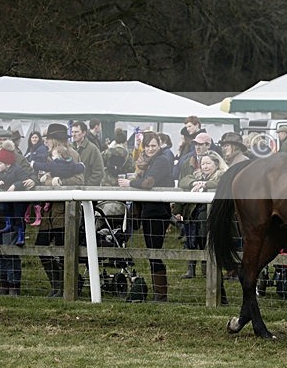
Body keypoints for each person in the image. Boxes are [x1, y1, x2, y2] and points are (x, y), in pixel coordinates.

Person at [118, 131, 174, 302]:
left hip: (157, 212)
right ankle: (158, 292)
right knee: (152, 252)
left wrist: (130, 183)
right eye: (148, 146)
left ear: (159, 145)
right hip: (148, 212)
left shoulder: (161, 161)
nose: (150, 149)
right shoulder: (149, 161)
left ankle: (161, 294)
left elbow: (148, 183)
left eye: (153, 146)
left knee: (154, 252)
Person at [35, 123, 84, 297]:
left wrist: (58, 182)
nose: (45, 141)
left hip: (65, 211)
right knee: (41, 247)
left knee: (64, 249)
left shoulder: (72, 155)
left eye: (48, 138)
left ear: (54, 139)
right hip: (48, 212)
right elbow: (41, 178)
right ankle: (57, 284)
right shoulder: (46, 156)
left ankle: (69, 284)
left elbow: (79, 180)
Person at [174, 151, 227, 280]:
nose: (205, 166)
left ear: (216, 164)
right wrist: (194, 183)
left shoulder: (222, 175)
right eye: (203, 164)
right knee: (191, 240)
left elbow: (220, 184)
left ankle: (206, 268)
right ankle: (191, 269)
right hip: (194, 213)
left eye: (208, 163)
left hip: (210, 214)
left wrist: (204, 184)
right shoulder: (197, 175)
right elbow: (183, 181)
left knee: (206, 240)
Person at [0, 147, 37, 294]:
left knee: (10, 251)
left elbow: (30, 176)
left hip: (11, 214)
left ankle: (13, 285)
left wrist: (30, 181)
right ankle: (3, 283)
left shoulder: (18, 160)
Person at [71, 121, 105, 186]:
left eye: (76, 132)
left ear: (84, 133)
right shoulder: (70, 149)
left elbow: (99, 171)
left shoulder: (92, 149)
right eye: (72, 132)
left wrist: (87, 185)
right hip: (71, 188)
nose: (73, 134)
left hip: (87, 189)